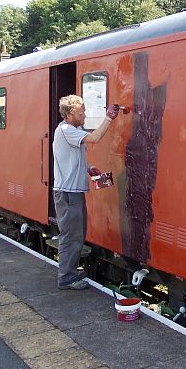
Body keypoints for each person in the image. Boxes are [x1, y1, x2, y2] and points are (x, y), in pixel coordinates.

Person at [53, 95, 119, 290]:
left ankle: (70, 272)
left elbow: (72, 158)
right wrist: (109, 118)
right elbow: (95, 138)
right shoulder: (66, 130)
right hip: (67, 193)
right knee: (71, 235)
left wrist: (88, 169)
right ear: (71, 113)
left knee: (76, 234)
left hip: (72, 192)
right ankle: (67, 277)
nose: (85, 115)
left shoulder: (73, 130)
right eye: (82, 112)